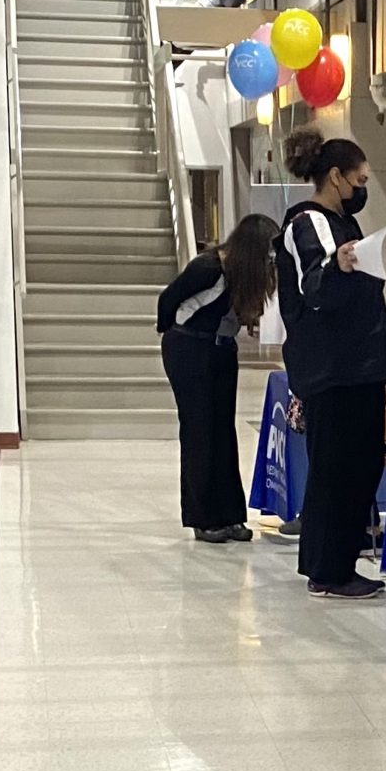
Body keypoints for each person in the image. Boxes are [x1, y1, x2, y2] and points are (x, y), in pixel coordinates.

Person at [274, 127, 386, 601]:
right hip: (332, 370)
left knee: (360, 467)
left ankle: (339, 560)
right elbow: (314, 284)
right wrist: (337, 266)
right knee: (335, 470)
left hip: (356, 368)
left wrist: (377, 371)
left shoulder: (345, 222)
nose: (363, 188)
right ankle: (327, 569)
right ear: (336, 176)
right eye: (360, 179)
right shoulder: (310, 221)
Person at [158, 214, 278, 544]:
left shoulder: (242, 276)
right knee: (200, 431)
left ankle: (230, 515)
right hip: (188, 347)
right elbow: (168, 301)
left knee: (224, 431)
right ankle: (203, 518)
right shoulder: (208, 268)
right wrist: (172, 333)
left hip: (222, 350)